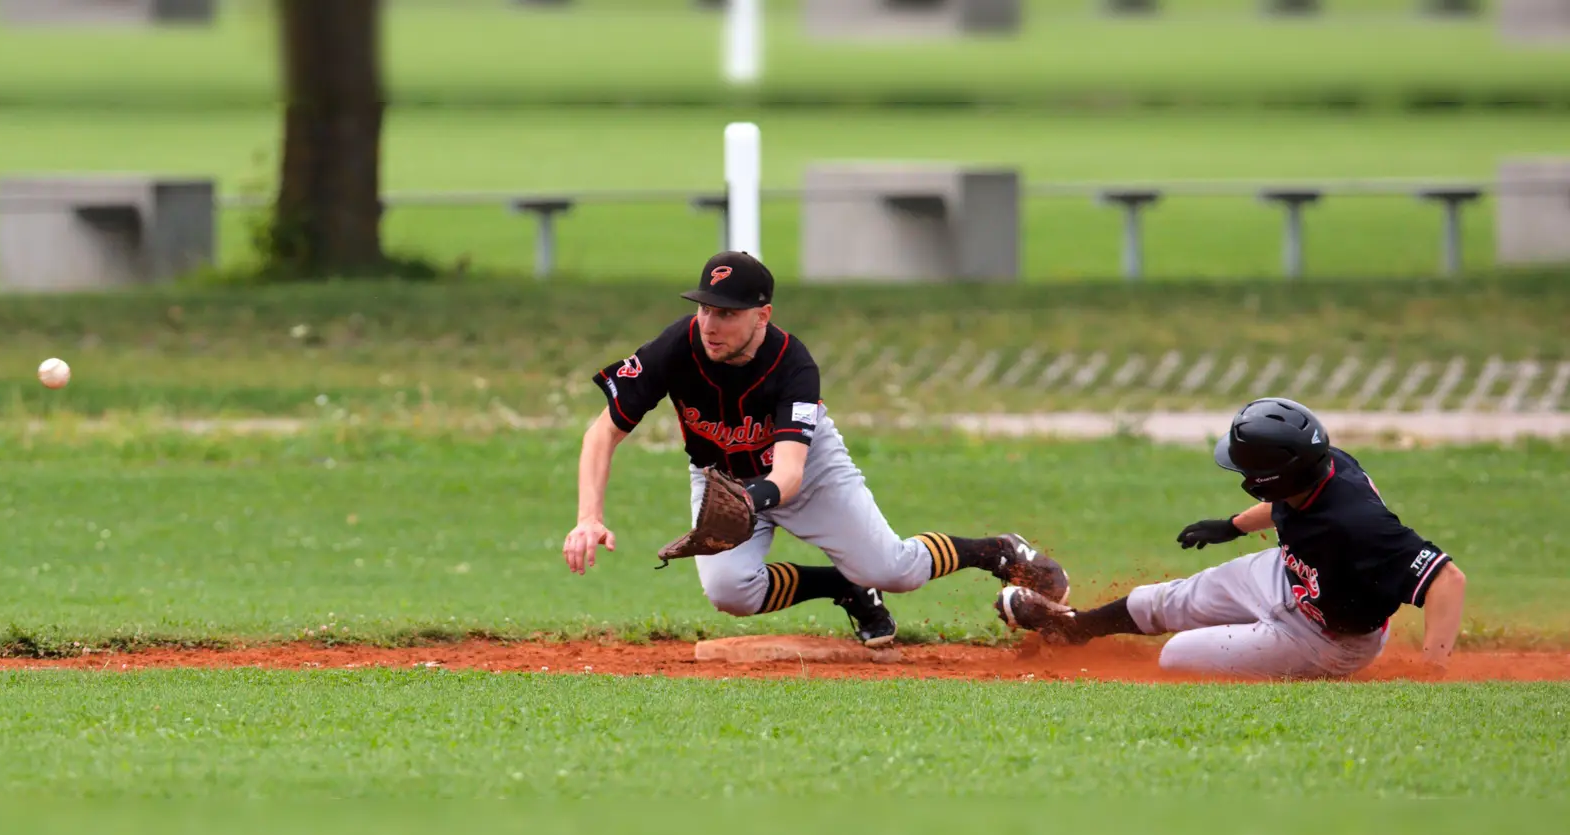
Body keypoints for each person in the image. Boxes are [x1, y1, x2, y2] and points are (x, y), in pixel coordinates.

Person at [562, 250, 1069, 646]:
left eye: (728, 313)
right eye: (705, 309)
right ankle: (844, 587)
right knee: (730, 592)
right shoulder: (676, 348)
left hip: (806, 470)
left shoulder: (792, 365)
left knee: (892, 570)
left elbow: (788, 476)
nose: (711, 324)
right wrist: (589, 517)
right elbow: (601, 432)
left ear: (763, 315)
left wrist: (749, 501)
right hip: (721, 479)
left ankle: (997, 551)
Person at [995, 397, 1467, 679]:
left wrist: (1431, 670)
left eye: (1248, 469)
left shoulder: (1359, 525)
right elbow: (1289, 504)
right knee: (1170, 600)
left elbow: (1448, 580)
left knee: (1177, 656)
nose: (1241, 473)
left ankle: (1255, 644)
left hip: (1329, 639)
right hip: (1288, 578)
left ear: (1277, 476)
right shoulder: (1321, 468)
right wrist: (1233, 526)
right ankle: (1073, 628)